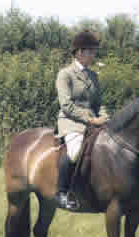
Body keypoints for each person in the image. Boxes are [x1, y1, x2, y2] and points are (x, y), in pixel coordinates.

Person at [55, 30, 109, 210]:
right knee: (75, 151)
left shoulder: (93, 76)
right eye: (91, 51)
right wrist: (90, 120)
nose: (94, 55)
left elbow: (98, 103)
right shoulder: (65, 74)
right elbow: (66, 105)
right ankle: (62, 192)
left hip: (93, 121)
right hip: (71, 121)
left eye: (94, 52)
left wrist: (104, 116)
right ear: (79, 52)